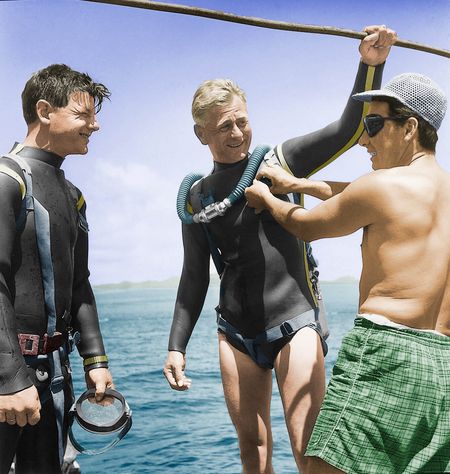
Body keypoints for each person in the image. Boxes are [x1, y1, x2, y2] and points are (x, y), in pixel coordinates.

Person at [163, 26, 397, 472]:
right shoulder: (197, 198)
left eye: (242, 120)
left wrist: (370, 63)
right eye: (223, 126)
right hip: (234, 332)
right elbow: (194, 276)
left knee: (309, 449)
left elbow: (347, 130)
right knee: (252, 451)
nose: (236, 132)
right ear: (201, 134)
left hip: (295, 324)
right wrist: (177, 346)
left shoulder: (281, 163)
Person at [245, 72, 449, 474]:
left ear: (410, 128)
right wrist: (300, 181)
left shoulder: (380, 187)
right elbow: (356, 192)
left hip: (387, 352)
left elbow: (306, 224)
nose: (363, 139)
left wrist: (268, 197)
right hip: (443, 364)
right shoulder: (430, 188)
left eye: (374, 125)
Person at [0, 64, 114, 474]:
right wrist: (10, 378)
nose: (95, 126)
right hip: (7, 381)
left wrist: (95, 361)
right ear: (45, 110)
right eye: (85, 115)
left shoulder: (73, 195)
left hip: (52, 377)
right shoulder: (7, 180)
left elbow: (79, 285)